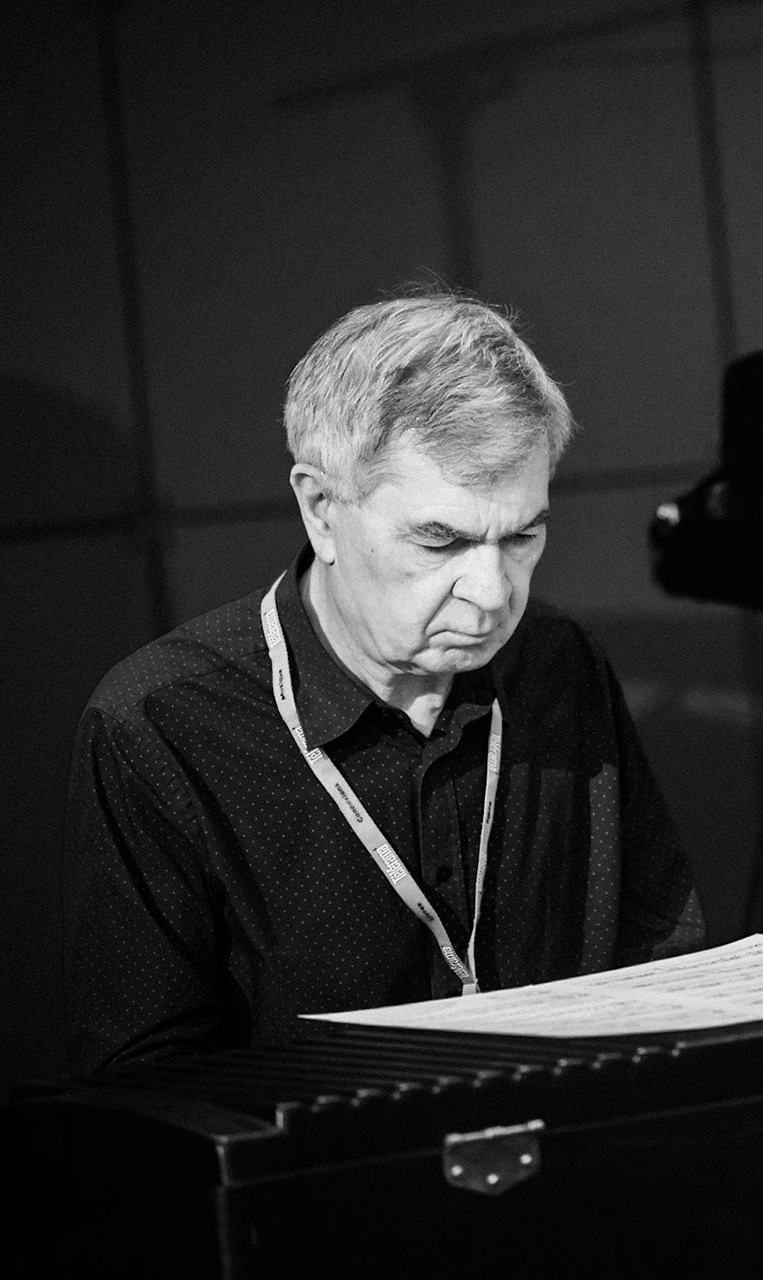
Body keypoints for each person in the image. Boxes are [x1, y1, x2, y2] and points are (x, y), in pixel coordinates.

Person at [65, 292, 705, 1075]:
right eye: (440, 541)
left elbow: (661, 953)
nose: (492, 593)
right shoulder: (163, 723)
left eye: (522, 536)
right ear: (321, 509)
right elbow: (146, 1080)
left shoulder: (558, 666)